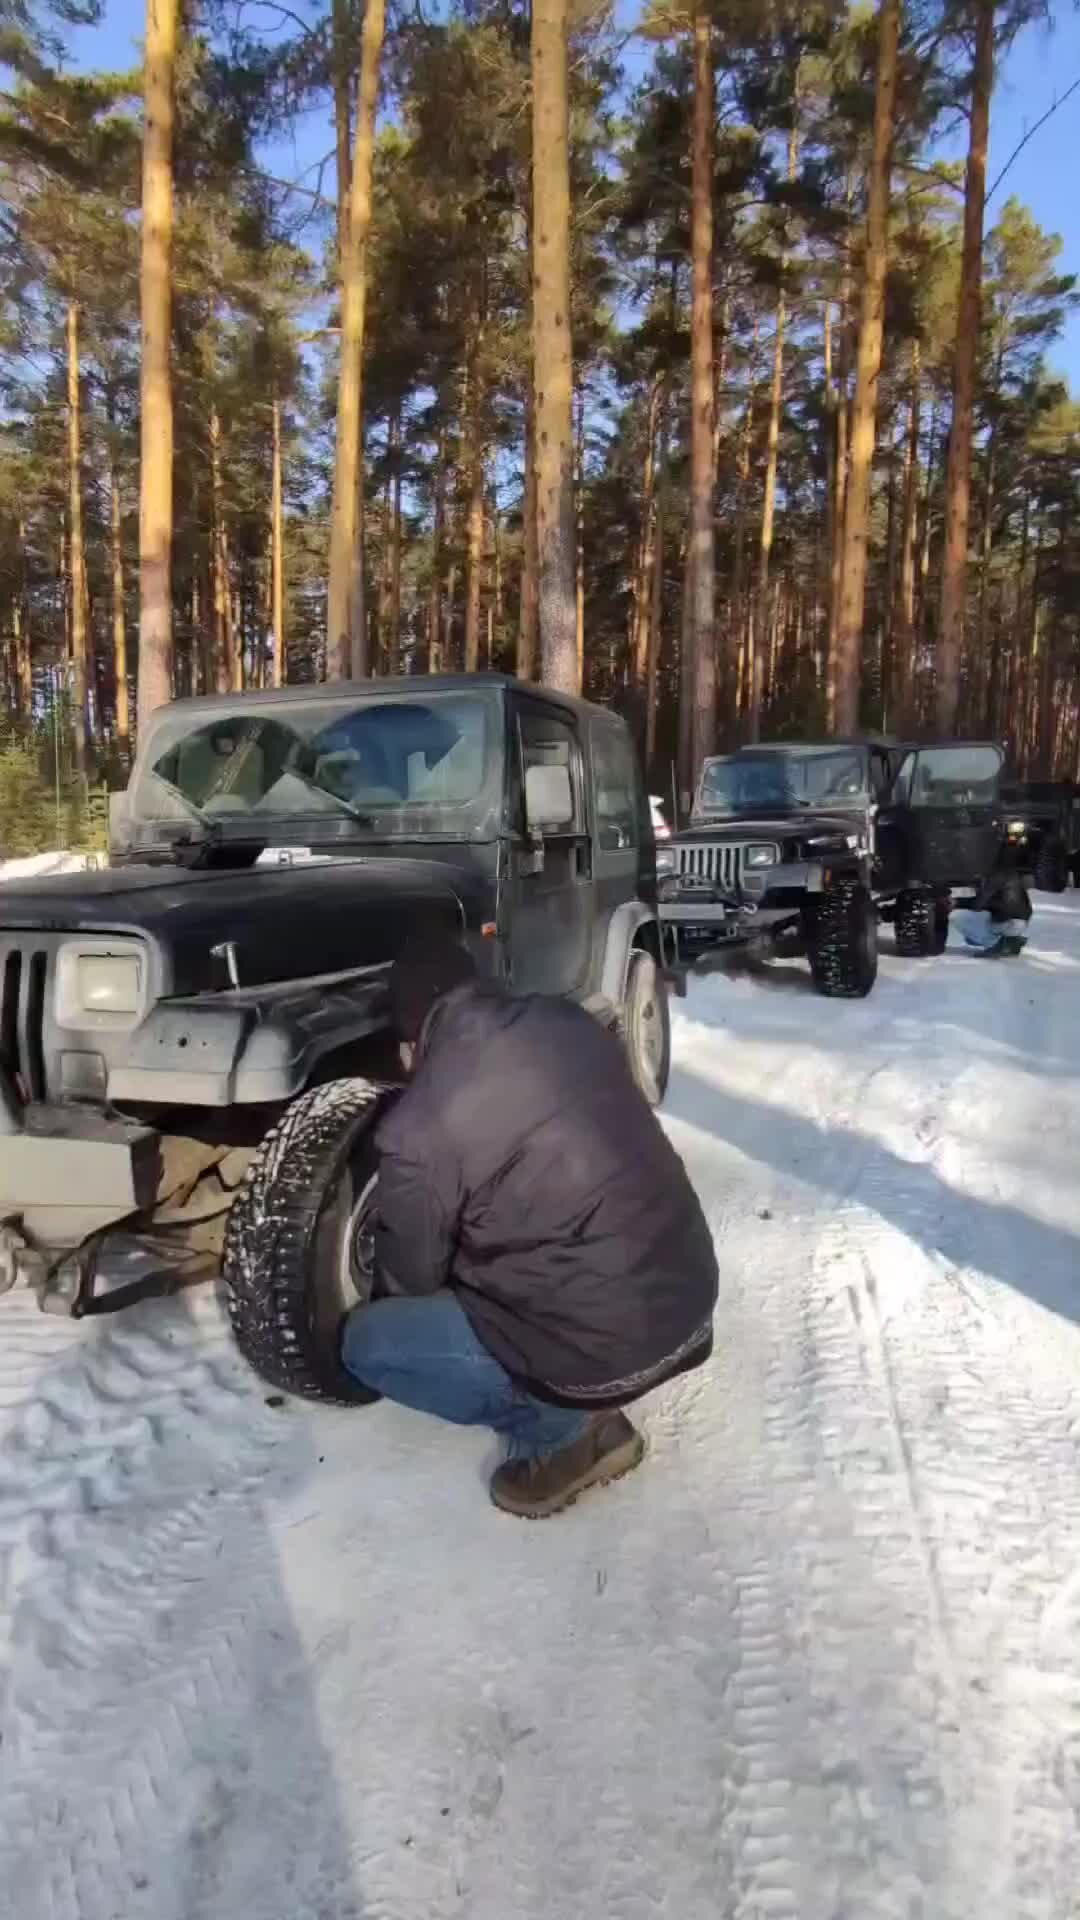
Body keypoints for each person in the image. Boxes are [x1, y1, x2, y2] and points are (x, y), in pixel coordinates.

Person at [341, 933, 718, 1519]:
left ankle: (565, 1436)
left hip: (604, 1347)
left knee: (370, 1343)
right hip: (688, 1307)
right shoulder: (568, 1020)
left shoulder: (418, 1126)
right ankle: (585, 1391)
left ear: (411, 1038)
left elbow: (411, 1276)